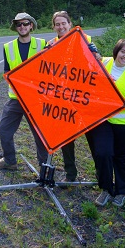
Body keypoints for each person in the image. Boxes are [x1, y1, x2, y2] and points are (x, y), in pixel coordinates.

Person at [86, 39, 125, 207]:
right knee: (102, 153)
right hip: (103, 119)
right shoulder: (104, 62)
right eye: (123, 52)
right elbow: (87, 62)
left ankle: (122, 192)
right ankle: (106, 188)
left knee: (121, 156)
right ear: (116, 52)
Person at [47, 11, 100, 182]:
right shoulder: (51, 44)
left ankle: (101, 175)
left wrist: (95, 55)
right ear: (53, 27)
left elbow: (98, 63)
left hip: (84, 98)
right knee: (66, 140)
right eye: (57, 24)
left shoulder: (86, 40)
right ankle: (71, 175)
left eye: (64, 23)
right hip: (63, 99)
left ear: (70, 24)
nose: (61, 27)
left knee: (92, 138)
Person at [0, 12, 48, 170]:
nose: (22, 27)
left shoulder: (42, 44)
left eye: (25, 24)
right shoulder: (8, 47)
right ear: (15, 27)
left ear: (31, 25)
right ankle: (10, 160)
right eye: (18, 24)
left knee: (40, 136)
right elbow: (6, 72)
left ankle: (44, 167)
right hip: (16, 98)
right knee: (4, 130)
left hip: (36, 99)